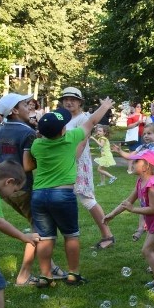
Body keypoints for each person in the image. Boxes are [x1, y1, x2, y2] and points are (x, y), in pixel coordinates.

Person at [24, 97, 113, 287]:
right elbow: (92, 122)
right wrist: (104, 106)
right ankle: (73, 274)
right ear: (64, 130)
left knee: (46, 237)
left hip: (39, 196)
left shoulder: (37, 145)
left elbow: (30, 162)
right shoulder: (70, 139)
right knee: (71, 235)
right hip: (62, 195)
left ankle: (45, 275)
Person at [0, 93, 65, 285]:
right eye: (25, 104)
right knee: (40, 230)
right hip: (23, 186)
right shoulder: (27, 133)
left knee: (38, 225)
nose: (30, 107)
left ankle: (50, 266)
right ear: (15, 111)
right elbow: (27, 165)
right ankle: (24, 276)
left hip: (7, 189)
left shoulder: (2, 130)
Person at [104, 150, 154, 293]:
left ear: (146, 167)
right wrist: (112, 214)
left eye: (137, 161)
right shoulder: (140, 182)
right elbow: (128, 202)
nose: (133, 162)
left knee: (147, 250)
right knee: (152, 250)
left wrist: (133, 210)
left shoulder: (152, 185)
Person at [59, 87, 117, 251]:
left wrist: (71, 161)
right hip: (65, 163)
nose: (69, 102)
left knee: (86, 198)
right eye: (66, 99)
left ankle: (108, 235)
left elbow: (82, 142)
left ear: (80, 102)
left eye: (73, 99)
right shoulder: (63, 118)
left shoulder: (82, 118)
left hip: (77, 163)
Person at [0, 161, 39, 308]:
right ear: (8, 182)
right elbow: (0, 223)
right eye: (15, 190)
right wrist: (24, 237)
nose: (14, 194)